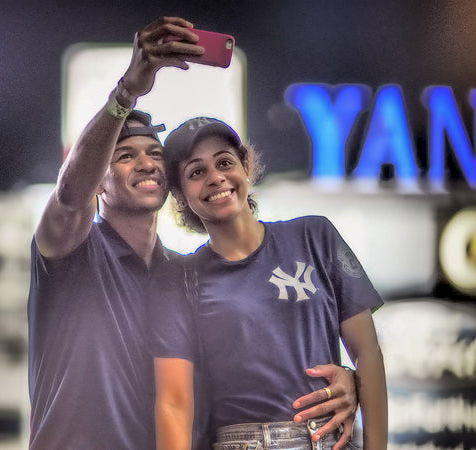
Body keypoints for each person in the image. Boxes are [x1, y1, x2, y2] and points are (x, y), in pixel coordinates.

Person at [28, 16, 360, 449]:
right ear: (99, 179)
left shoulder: (187, 273)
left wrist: (349, 382)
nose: (146, 163)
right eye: (124, 156)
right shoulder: (71, 252)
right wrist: (126, 91)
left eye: (153, 154)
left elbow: (252, 359)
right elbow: (71, 194)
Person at [150, 117, 388, 449]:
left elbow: (368, 353)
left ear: (246, 165)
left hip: (330, 441)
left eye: (224, 162)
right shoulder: (182, 279)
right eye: (196, 172)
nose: (216, 177)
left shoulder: (314, 236)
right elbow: (174, 405)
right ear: (178, 194)